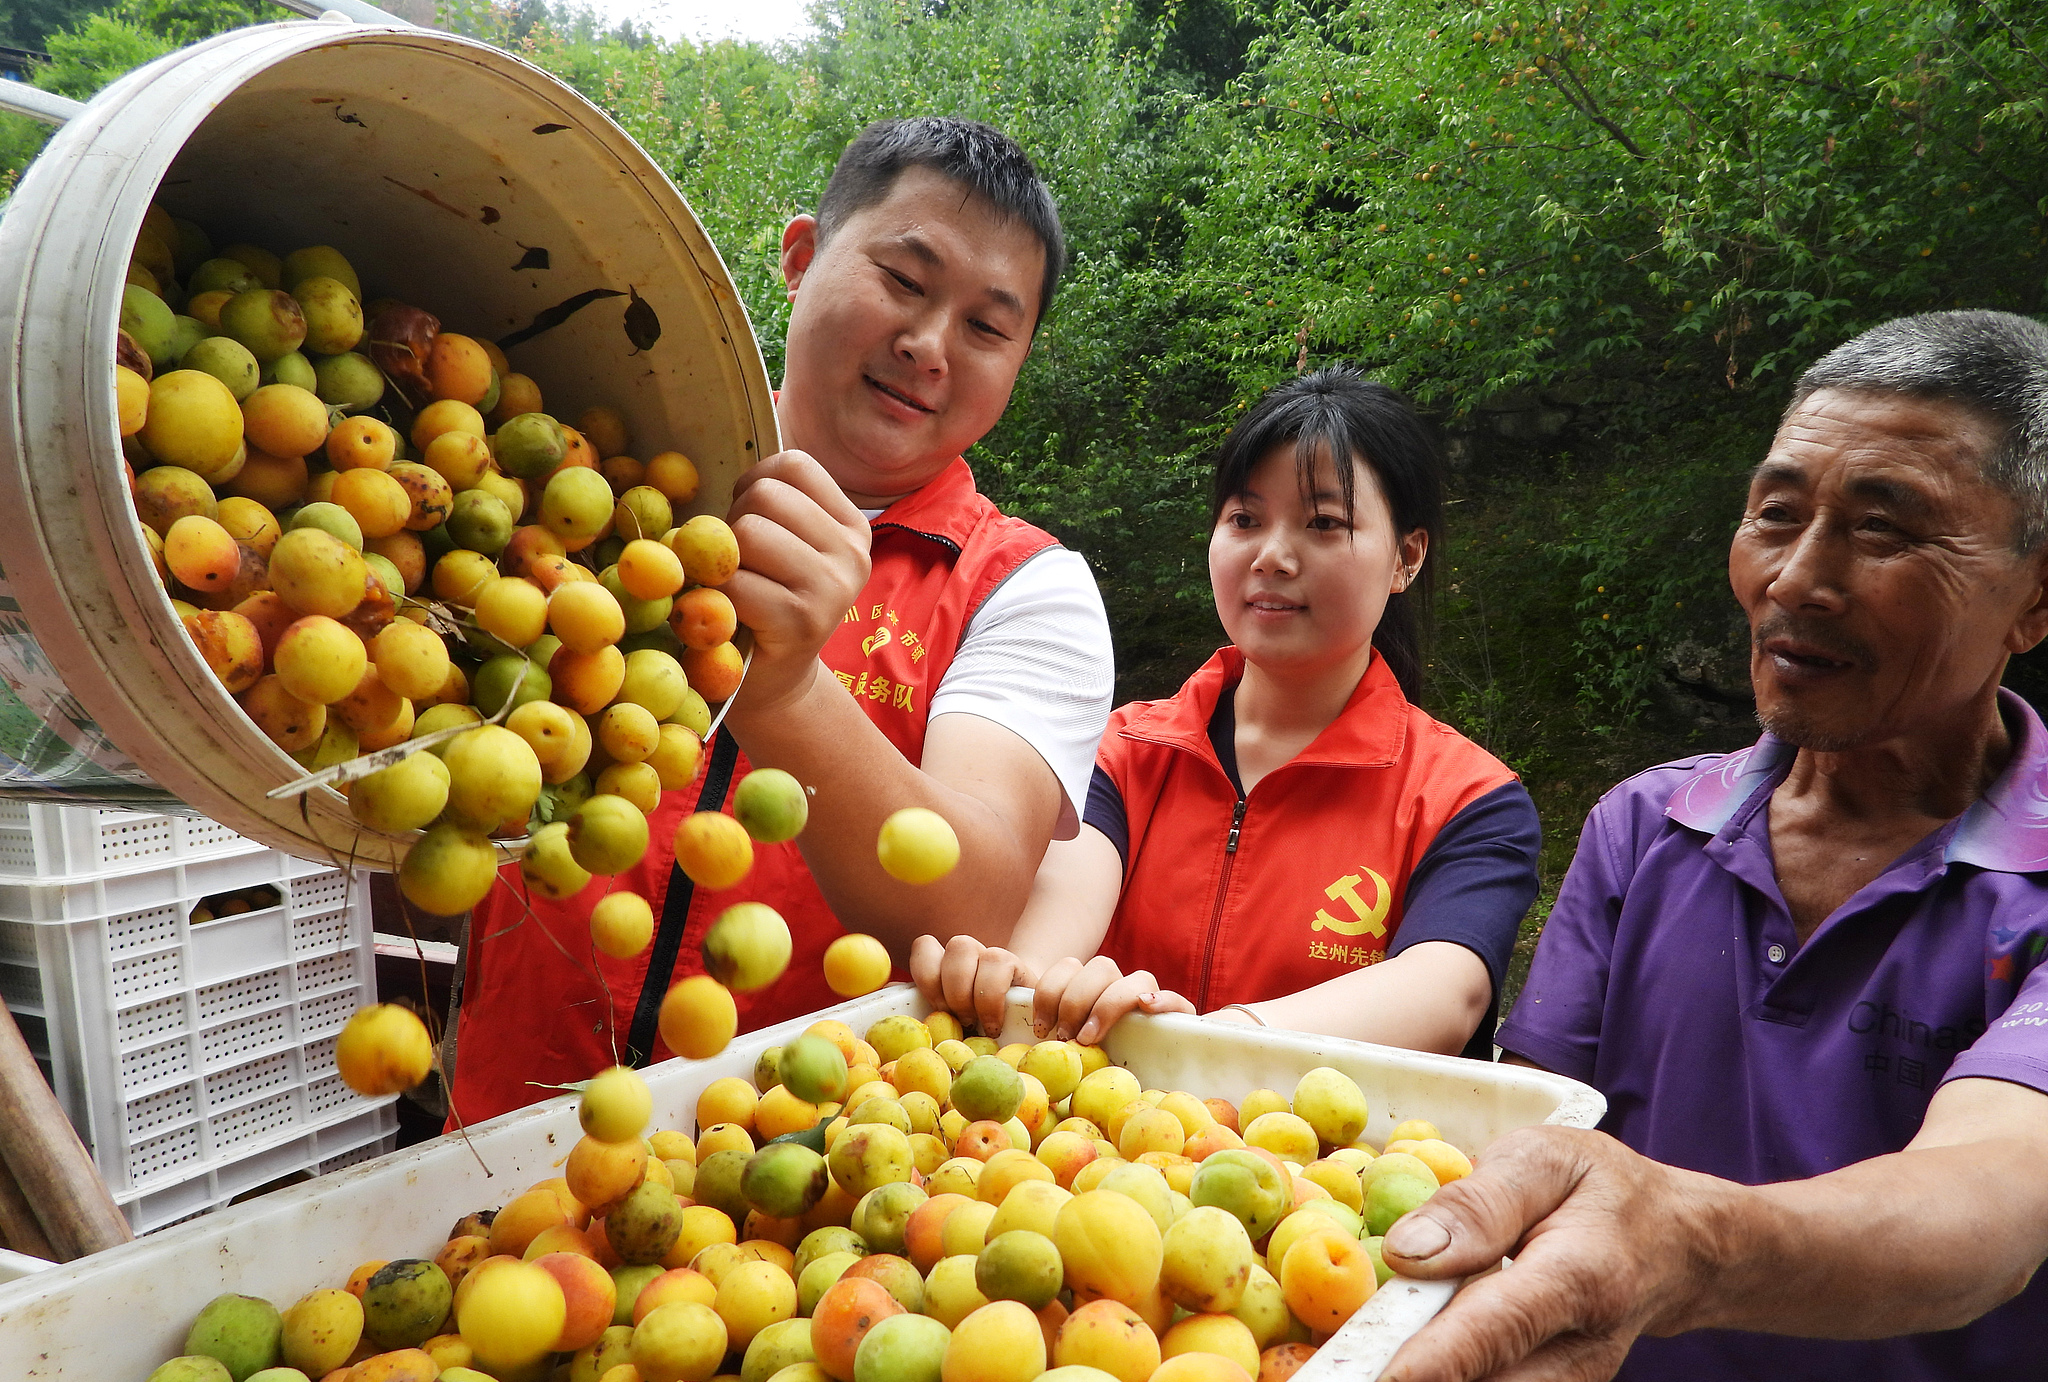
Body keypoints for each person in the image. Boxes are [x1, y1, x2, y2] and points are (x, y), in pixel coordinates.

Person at [1308, 311, 2048, 1382]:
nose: (1796, 577)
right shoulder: (1643, 834)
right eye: (1773, 512)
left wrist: (1685, 1242)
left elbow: (1990, 1198)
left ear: (2032, 596)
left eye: (1881, 527)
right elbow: (1531, 1149)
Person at [448, 119, 1115, 1124]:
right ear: (800, 258)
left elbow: (965, 903)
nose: (927, 347)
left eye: (985, 327)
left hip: (800, 1187)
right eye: (903, 280)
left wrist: (791, 692)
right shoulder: (608, 477)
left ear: (1017, 360)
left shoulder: (1021, 587)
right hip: (503, 1136)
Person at [912, 368, 1541, 1051]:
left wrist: (1209, 1043)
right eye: (1245, 519)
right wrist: (1013, 982)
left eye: (1323, 523)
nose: (1271, 555)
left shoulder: (1469, 802)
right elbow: (1054, 922)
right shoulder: (1122, 755)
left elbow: (1445, 993)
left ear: (1406, 558)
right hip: (1112, 1150)